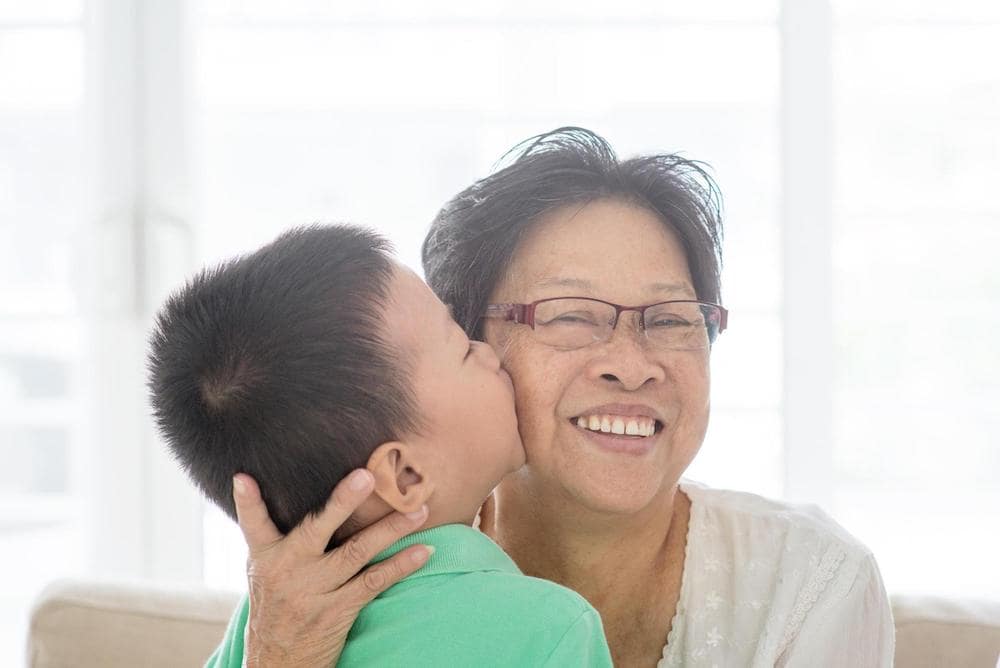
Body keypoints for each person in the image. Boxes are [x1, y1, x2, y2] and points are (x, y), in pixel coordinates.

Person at [212, 128, 895, 666]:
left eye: (671, 319)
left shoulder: (813, 583)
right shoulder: (313, 597)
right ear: (471, 338)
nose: (631, 367)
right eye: (570, 315)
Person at [147, 224, 613, 667]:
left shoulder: (263, 625)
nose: (490, 353)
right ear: (404, 476)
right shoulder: (549, 629)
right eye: (463, 350)